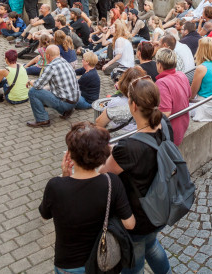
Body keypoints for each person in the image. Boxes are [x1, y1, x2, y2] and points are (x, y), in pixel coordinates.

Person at [39, 122, 135, 274]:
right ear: (102, 154)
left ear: (69, 155)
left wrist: (65, 177)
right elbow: (130, 224)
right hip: (103, 260)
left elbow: (45, 216)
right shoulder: (111, 182)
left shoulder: (56, 186)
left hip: (68, 264)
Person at [100, 78, 173, 274]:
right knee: (152, 245)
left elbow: (103, 173)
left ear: (133, 105)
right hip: (160, 205)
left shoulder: (128, 148)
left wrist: (112, 152)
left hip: (138, 215)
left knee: (135, 262)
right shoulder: (164, 123)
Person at [26, 45, 80, 127]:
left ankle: (42, 120)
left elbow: (37, 85)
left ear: (47, 55)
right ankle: (66, 111)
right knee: (45, 90)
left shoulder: (51, 67)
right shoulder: (65, 62)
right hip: (74, 101)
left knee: (33, 92)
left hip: (65, 102)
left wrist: (30, 81)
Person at [155, 48, 192, 145]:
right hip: (183, 123)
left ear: (159, 65)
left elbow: (165, 112)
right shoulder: (181, 75)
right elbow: (189, 95)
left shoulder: (161, 83)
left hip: (171, 131)